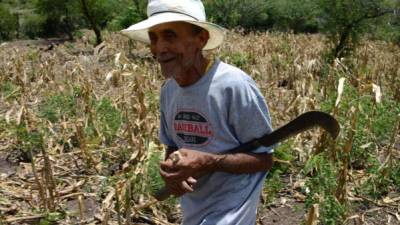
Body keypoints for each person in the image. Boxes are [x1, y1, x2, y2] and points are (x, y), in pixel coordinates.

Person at [121, 0, 274, 224]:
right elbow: (173, 146)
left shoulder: (233, 85)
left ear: (201, 39)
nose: (159, 48)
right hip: (195, 206)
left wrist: (210, 161)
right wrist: (172, 172)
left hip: (232, 208)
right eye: (154, 38)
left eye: (170, 36)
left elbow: (264, 159)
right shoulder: (169, 90)